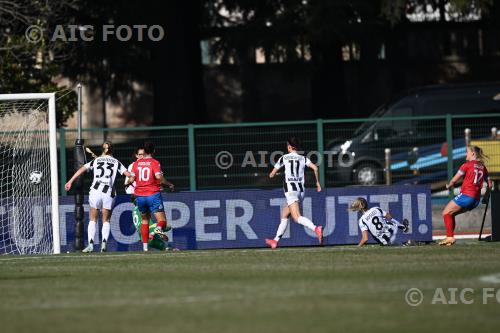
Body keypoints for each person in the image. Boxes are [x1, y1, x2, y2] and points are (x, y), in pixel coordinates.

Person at [65, 141, 131, 253]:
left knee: (92, 219)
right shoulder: (116, 162)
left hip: (95, 190)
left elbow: (81, 169)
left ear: (102, 150)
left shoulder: (96, 160)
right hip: (108, 192)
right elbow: (128, 175)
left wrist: (70, 181)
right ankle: (104, 243)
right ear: (113, 150)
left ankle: (90, 244)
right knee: (106, 220)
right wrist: (130, 181)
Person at [265, 137, 323, 249]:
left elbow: (272, 174)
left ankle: (316, 228)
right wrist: (318, 183)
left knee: (296, 217)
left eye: (287, 145)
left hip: (291, 190)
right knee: (285, 213)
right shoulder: (303, 158)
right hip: (301, 191)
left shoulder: (284, 158)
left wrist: (272, 175)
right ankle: (275, 241)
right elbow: (315, 168)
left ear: (290, 147)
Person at [440, 145, 492, 246]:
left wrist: (449, 185)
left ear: (473, 153)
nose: (465, 154)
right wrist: (486, 197)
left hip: (466, 196)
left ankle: (450, 237)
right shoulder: (483, 167)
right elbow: (489, 184)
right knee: (451, 214)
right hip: (476, 200)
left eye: (467, 152)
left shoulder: (466, 165)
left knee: (446, 212)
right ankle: (449, 238)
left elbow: (454, 179)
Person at [127, 141, 175, 252]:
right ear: (153, 151)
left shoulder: (136, 164)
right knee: (162, 221)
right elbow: (159, 177)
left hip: (140, 196)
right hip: (153, 194)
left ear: (144, 151)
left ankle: (145, 248)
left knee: (144, 220)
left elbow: (132, 179)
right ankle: (157, 230)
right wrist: (169, 184)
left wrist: (127, 183)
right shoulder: (154, 162)